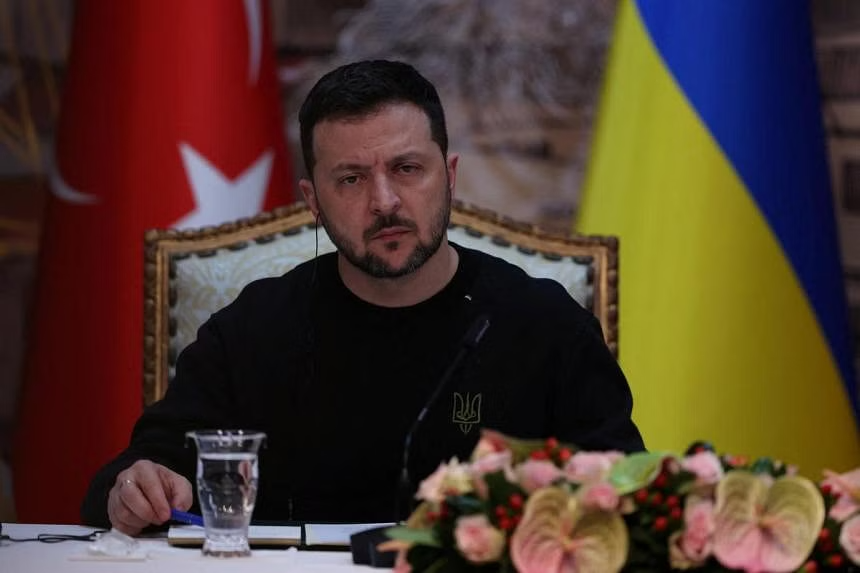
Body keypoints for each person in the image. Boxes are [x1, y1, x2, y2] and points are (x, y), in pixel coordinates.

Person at [80, 59, 645, 534]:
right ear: (313, 201)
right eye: (350, 179)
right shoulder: (253, 329)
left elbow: (626, 496)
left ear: (449, 176)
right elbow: (137, 473)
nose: (385, 202)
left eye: (407, 168)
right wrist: (138, 488)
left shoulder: (544, 324)